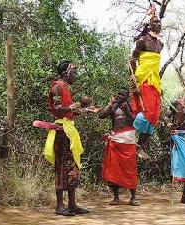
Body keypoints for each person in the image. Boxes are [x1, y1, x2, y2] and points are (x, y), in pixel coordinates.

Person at [45, 60, 93, 216]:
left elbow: (67, 112)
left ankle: (72, 204)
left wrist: (83, 110)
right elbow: (58, 110)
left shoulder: (65, 88)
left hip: (69, 131)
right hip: (61, 132)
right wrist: (76, 105)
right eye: (73, 72)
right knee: (61, 167)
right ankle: (59, 206)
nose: (75, 75)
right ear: (66, 72)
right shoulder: (57, 86)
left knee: (73, 168)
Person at [130, 5, 163, 159]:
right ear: (150, 25)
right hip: (142, 79)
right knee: (146, 112)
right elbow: (132, 60)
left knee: (155, 113)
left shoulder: (160, 44)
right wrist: (134, 82)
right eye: (156, 22)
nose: (159, 24)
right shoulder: (142, 41)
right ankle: (132, 138)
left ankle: (141, 145)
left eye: (160, 22)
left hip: (155, 80)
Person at [98, 88, 140, 206]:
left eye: (123, 95)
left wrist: (126, 109)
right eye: (118, 94)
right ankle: (116, 198)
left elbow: (134, 121)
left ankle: (133, 198)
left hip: (128, 142)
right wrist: (110, 104)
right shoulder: (114, 106)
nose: (120, 96)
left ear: (127, 96)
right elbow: (101, 115)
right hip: (115, 140)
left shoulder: (131, 106)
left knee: (130, 170)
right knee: (113, 169)